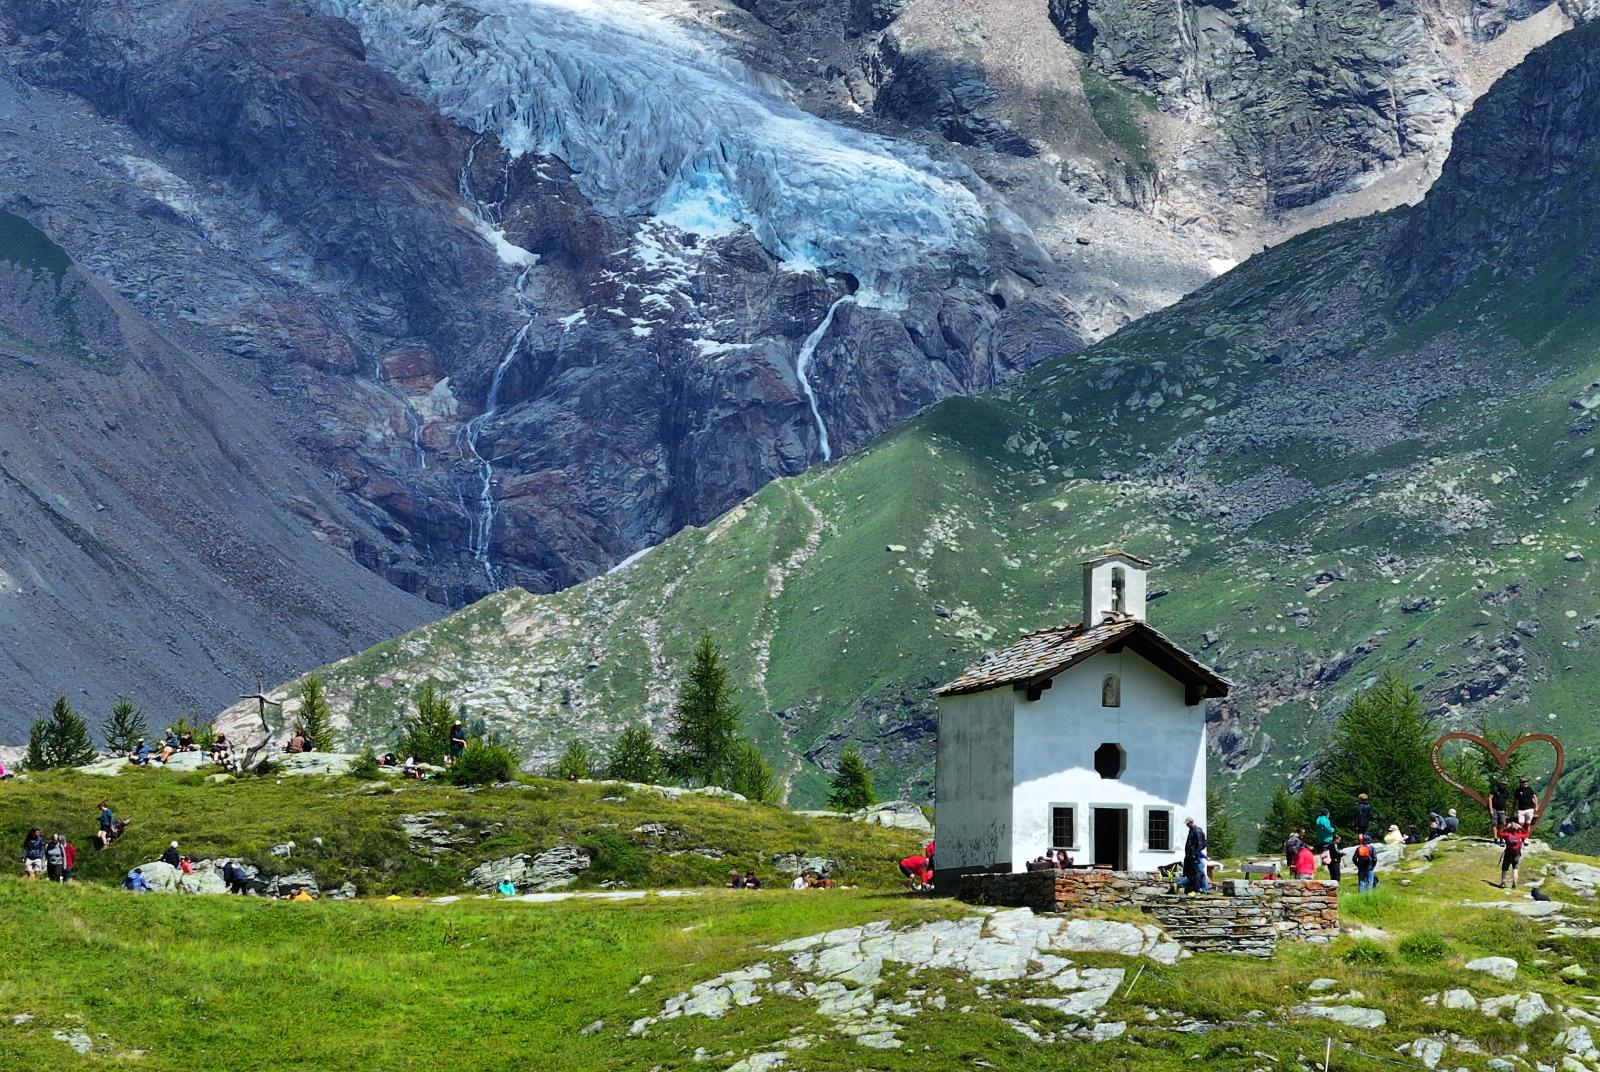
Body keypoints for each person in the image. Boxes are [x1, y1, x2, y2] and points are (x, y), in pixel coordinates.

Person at [1500, 821, 1529, 889]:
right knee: (1515, 869)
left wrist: (1506, 828)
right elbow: (1526, 834)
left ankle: (1503, 883)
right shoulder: (1519, 836)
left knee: (1504, 869)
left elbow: (1500, 833)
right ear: (1517, 829)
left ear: (1510, 828)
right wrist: (1521, 828)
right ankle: (1514, 884)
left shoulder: (1507, 835)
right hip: (1516, 854)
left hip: (1508, 854)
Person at [1182, 817, 1207, 896]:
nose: (1187, 825)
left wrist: (1195, 854)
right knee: (1187, 872)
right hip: (1188, 855)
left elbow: (1199, 844)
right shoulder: (1191, 830)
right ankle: (1193, 888)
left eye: (1187, 823)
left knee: (1196, 873)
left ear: (1191, 822)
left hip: (1193, 856)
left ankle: (1197, 890)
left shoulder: (1197, 831)